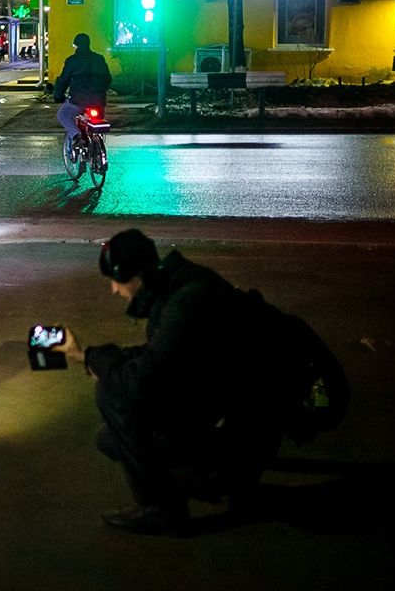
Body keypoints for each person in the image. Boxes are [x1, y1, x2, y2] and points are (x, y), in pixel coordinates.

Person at [54, 229, 288, 534]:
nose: (114, 290)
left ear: (137, 276)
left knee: (112, 394)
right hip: (225, 394)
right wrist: (85, 355)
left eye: (117, 281)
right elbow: (160, 356)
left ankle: (165, 507)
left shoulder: (185, 303)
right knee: (111, 440)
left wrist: (92, 361)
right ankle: (212, 473)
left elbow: (140, 384)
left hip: (244, 412)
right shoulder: (179, 284)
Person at [54, 32, 113, 158]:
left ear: (76, 46)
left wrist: (58, 95)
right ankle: (97, 145)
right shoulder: (99, 59)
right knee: (97, 123)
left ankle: (77, 135)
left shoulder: (72, 61)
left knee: (62, 114)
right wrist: (101, 91)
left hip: (78, 101)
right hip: (98, 101)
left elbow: (64, 80)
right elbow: (108, 79)